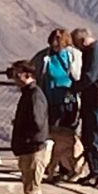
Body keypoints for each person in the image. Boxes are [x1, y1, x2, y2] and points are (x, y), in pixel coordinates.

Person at [34, 32, 82, 183]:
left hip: (68, 98)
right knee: (52, 132)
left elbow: (77, 75)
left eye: (58, 43)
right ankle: (50, 166)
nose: (55, 46)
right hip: (50, 98)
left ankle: (65, 167)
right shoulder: (44, 56)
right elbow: (36, 71)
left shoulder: (73, 56)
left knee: (67, 133)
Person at [71, 31, 98, 187]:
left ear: (82, 41)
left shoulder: (96, 51)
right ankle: (92, 170)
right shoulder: (91, 51)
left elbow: (90, 76)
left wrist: (73, 88)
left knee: (94, 134)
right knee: (88, 135)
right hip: (92, 98)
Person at [8, 60, 51, 194]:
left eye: (17, 74)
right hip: (28, 146)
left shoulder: (35, 95)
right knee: (27, 186)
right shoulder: (28, 94)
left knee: (32, 190)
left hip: (33, 147)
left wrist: (23, 129)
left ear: (27, 75)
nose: (14, 78)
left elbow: (37, 122)